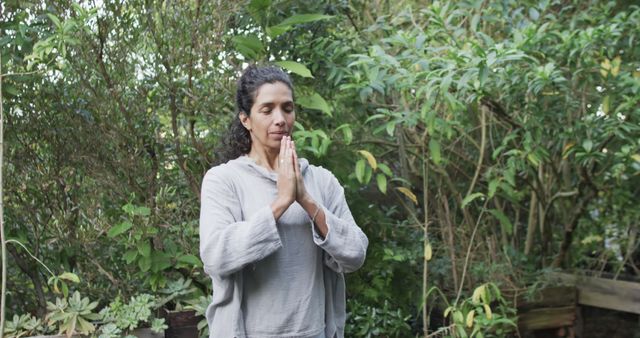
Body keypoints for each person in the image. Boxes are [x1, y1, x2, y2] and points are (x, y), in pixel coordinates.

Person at [199, 65, 369, 338]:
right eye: (267, 110)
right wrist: (281, 203)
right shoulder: (224, 180)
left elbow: (356, 254)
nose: (280, 119)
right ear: (246, 119)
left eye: (287, 108)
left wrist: (305, 199)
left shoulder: (321, 181)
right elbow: (215, 257)